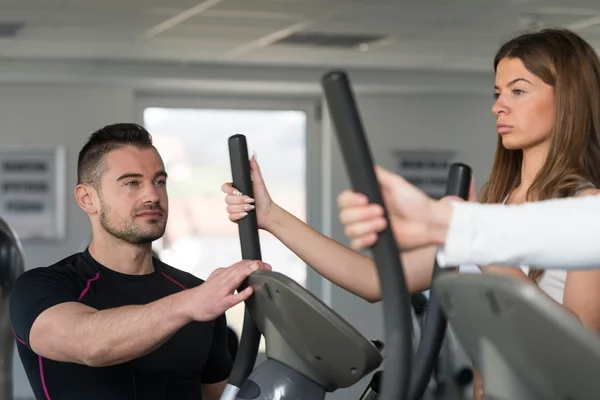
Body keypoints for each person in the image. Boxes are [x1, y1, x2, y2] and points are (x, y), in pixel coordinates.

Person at [223, 28, 600, 399]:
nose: (498, 106)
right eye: (498, 92)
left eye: (518, 90)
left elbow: (581, 348)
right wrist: (271, 216)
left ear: (568, 98)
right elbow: (373, 279)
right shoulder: (491, 211)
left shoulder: (586, 210)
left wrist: (479, 246)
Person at [10, 123, 270, 400]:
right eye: (132, 183)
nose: (152, 196)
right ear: (87, 199)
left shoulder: (198, 295)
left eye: (159, 181)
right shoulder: (41, 288)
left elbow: (217, 395)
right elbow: (90, 344)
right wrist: (190, 304)